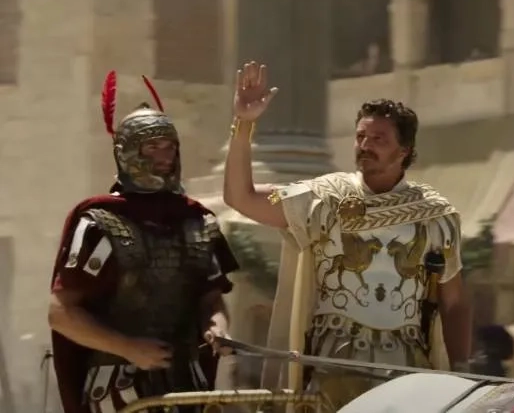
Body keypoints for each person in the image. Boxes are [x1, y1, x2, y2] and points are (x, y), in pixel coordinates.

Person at [223, 61, 472, 408]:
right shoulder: (324, 198)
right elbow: (241, 197)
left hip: (405, 367)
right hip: (334, 364)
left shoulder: (435, 215)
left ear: (404, 151)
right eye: (360, 137)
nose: (365, 145)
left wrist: (462, 371)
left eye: (378, 139)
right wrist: (244, 124)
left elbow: (454, 304)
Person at [48, 71, 239, 413]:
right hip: (118, 388)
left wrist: (218, 328)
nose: (164, 156)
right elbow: (61, 313)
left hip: (187, 385)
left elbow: (210, 299)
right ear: (127, 153)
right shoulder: (99, 223)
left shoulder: (197, 221)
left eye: (169, 147)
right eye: (152, 147)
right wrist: (127, 347)